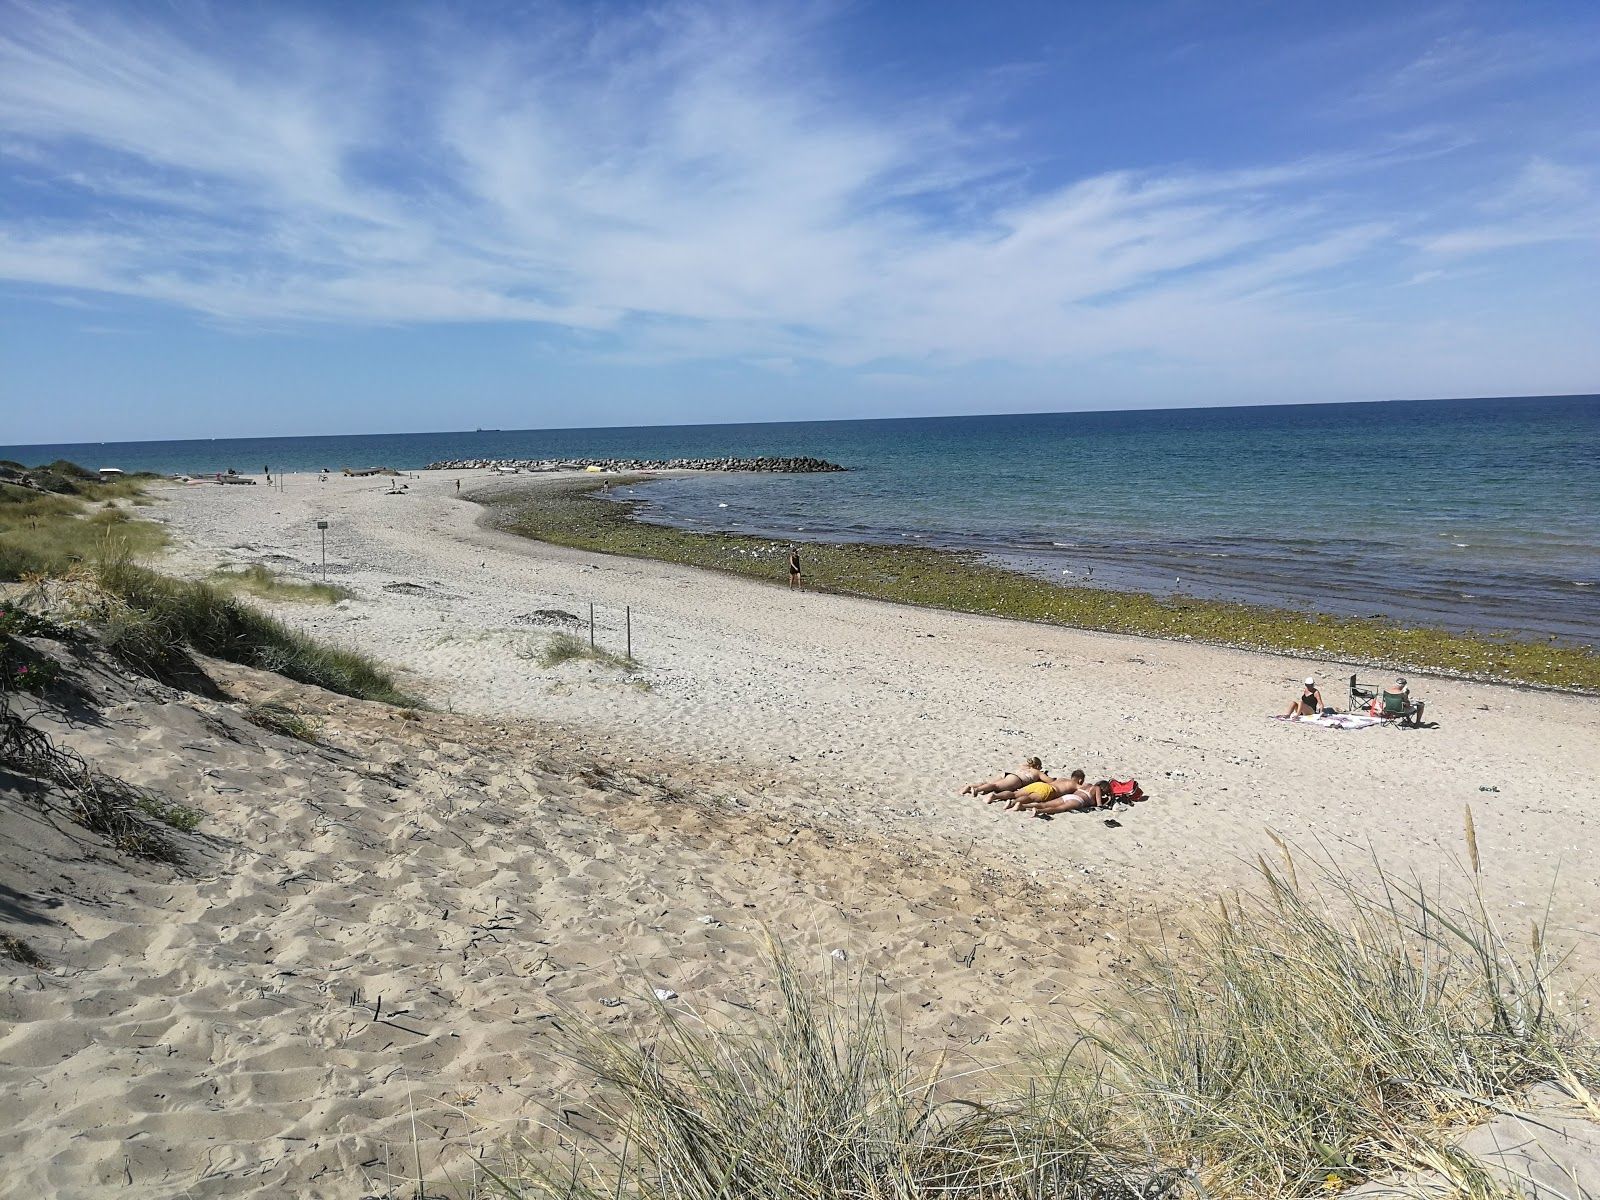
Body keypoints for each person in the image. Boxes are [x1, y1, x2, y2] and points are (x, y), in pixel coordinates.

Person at [962, 757, 1049, 800]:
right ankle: (977, 789)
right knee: (995, 786)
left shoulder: (1024, 766)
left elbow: (1026, 763)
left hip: (1007, 774)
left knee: (987, 783)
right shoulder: (1037, 772)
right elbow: (1050, 781)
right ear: (1037, 766)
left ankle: (969, 786)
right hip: (1016, 779)